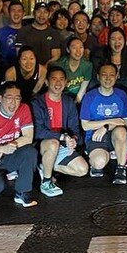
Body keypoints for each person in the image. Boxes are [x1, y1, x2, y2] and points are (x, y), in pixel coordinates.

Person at [32, 66, 89, 197]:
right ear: (46, 82)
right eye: (54, 79)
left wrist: (74, 139)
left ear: (66, 82)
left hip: (62, 143)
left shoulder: (68, 102)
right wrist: (62, 137)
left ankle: (44, 167)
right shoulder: (37, 102)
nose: (58, 83)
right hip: (42, 145)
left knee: (83, 169)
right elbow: (38, 132)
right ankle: (46, 182)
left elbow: (75, 129)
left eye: (61, 79)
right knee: (53, 143)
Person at [80, 63, 127, 184]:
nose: (108, 78)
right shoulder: (89, 96)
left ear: (117, 76)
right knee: (99, 163)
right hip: (95, 136)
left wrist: (106, 127)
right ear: (98, 77)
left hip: (115, 135)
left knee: (121, 131)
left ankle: (121, 169)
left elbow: (125, 121)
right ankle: (101, 156)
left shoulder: (121, 94)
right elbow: (85, 125)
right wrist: (109, 122)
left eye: (111, 75)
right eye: (104, 75)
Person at [15, 2, 61, 67]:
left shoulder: (54, 33)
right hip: (27, 69)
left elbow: (56, 56)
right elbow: (20, 54)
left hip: (47, 70)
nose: (42, 15)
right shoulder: (23, 31)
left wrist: (44, 68)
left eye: (45, 12)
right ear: (34, 13)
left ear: (49, 14)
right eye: (39, 11)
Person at [92, 27, 127, 91]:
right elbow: (96, 75)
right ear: (108, 41)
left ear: (125, 40)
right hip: (104, 85)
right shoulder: (100, 54)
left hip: (124, 87)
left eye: (120, 39)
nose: (117, 42)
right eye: (113, 39)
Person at [51, 37, 93, 103]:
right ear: (68, 50)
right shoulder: (60, 65)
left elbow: (83, 87)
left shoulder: (87, 65)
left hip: (78, 98)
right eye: (74, 48)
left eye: (81, 47)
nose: (78, 51)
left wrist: (75, 103)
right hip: (61, 96)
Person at [0, 0, 24, 66]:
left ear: (23, 13)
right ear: (9, 13)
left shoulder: (29, 32)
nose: (16, 14)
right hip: (4, 69)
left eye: (19, 11)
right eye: (13, 11)